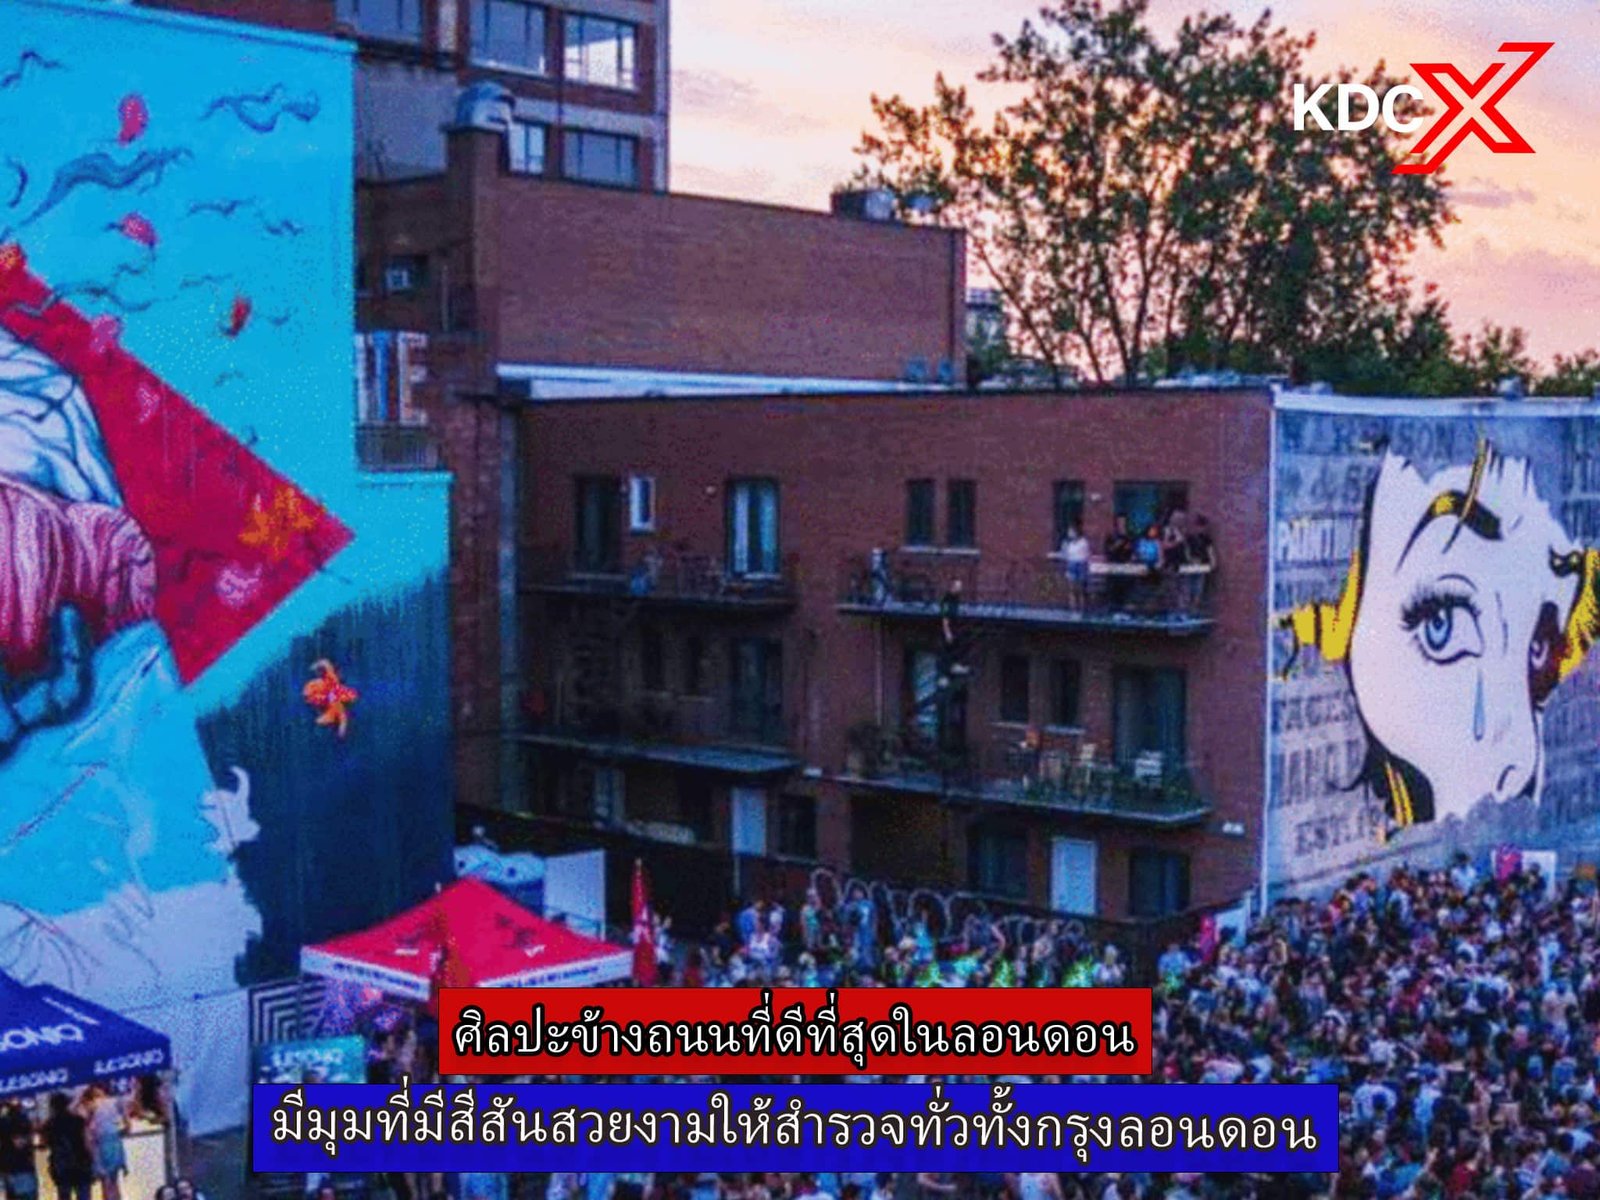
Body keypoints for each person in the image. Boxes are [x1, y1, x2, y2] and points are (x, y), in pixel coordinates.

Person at [42, 1094, 91, 1200]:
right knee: (83, 1194)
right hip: (80, 1162)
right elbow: (87, 1141)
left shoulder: (49, 1124)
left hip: (61, 1165)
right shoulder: (78, 1120)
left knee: (64, 1195)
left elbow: (44, 1144)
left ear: (52, 1107)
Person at [81, 1086, 127, 1200]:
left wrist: (91, 1153)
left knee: (106, 1183)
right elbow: (126, 1126)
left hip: (102, 1147)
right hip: (115, 1145)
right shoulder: (113, 1102)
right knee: (114, 1182)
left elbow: (88, 1137)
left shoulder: (93, 1107)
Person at [0, 1101, 35, 1200]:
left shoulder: (2, 1122)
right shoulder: (22, 1121)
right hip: (22, 1168)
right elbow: (19, 1143)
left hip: (7, 1168)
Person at [1060, 525, 1091, 611]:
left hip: (1081, 564)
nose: (1070, 534)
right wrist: (1064, 549)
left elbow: (1085, 555)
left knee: (1081, 589)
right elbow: (1065, 555)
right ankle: (1073, 608)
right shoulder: (1068, 544)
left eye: (1071, 532)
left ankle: (1082, 609)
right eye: (1069, 532)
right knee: (1072, 589)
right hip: (1071, 564)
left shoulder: (1083, 542)